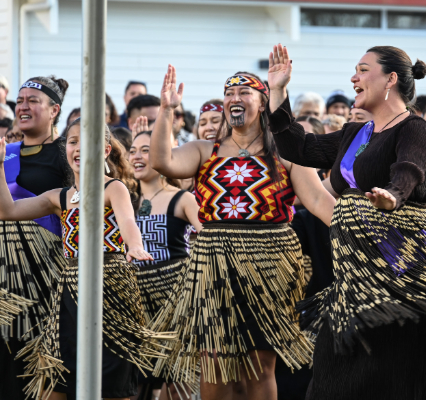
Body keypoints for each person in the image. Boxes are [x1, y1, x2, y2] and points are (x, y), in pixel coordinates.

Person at [267, 43, 426, 399]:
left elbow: (409, 167)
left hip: (404, 272)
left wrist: (394, 194)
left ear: (391, 79)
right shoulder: (354, 134)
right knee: (332, 377)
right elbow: (297, 147)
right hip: (356, 277)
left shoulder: (415, 127)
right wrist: (278, 91)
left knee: (391, 378)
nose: (353, 78)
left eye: (362, 70)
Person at [147, 65, 335, 400]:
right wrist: (166, 110)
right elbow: (162, 162)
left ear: (262, 103)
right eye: (229, 93)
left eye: (243, 92)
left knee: (260, 366)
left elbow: (319, 200)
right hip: (213, 267)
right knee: (215, 365)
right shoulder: (206, 150)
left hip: (268, 265)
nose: (234, 98)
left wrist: (362, 229)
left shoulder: (286, 152)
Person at [1, 118, 171, 400]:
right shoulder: (60, 197)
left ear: (105, 150)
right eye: (73, 141)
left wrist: (135, 245)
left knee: (113, 385)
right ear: (65, 149)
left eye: (88, 141)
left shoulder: (113, 188)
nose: (79, 148)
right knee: (59, 383)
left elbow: (128, 221)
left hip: (111, 286)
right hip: (68, 292)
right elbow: (6, 210)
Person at [0, 76, 71, 400]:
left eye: (33, 100)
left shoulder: (65, 153)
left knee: (36, 359)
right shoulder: (7, 151)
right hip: (5, 274)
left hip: (45, 274)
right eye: (20, 100)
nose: (23, 106)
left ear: (54, 109)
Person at [129, 130, 203, 400]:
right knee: (134, 384)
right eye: (133, 150)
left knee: (175, 383)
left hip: (175, 305)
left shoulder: (182, 198)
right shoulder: (124, 199)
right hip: (135, 304)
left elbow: (209, 239)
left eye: (146, 149)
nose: (137, 156)